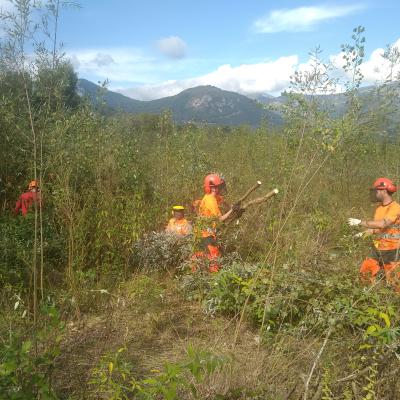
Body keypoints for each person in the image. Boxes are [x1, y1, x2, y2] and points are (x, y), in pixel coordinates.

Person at [348, 177, 400, 291]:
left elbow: (383, 224)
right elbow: (378, 228)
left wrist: (360, 222)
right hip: (378, 246)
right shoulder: (379, 208)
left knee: (394, 281)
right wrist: (366, 232)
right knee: (366, 271)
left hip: (392, 249)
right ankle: (366, 295)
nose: (375, 193)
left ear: (383, 191)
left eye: (377, 190)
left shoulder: (395, 207)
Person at [192, 173, 235, 273]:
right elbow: (219, 219)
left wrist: (231, 206)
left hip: (201, 233)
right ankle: (214, 279)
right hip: (206, 235)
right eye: (219, 187)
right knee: (213, 258)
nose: (220, 189)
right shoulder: (210, 200)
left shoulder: (210, 196)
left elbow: (222, 200)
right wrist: (232, 211)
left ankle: (198, 277)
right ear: (214, 188)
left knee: (200, 258)